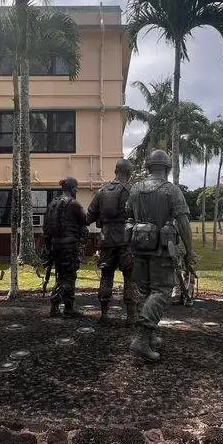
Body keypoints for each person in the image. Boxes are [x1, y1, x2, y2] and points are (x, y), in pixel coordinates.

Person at [126, 149, 195, 362]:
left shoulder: (135, 189)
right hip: (161, 251)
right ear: (166, 167)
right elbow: (183, 222)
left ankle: (151, 335)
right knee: (162, 291)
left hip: (139, 248)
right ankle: (142, 339)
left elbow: (128, 216)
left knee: (145, 290)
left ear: (148, 167)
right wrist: (189, 250)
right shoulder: (171, 190)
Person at [86, 158, 135, 325]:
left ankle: (104, 315)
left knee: (106, 277)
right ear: (129, 173)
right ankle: (131, 316)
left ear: (115, 171)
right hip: (126, 240)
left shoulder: (102, 191)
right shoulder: (131, 191)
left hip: (106, 239)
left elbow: (89, 216)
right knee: (129, 277)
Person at [43, 177, 88, 318]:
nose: (77, 190)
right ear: (73, 188)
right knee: (68, 277)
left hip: (56, 245)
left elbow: (46, 227)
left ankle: (68, 307)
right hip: (69, 246)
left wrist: (48, 246)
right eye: (76, 188)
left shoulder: (52, 203)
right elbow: (85, 220)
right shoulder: (73, 203)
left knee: (62, 275)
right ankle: (56, 302)